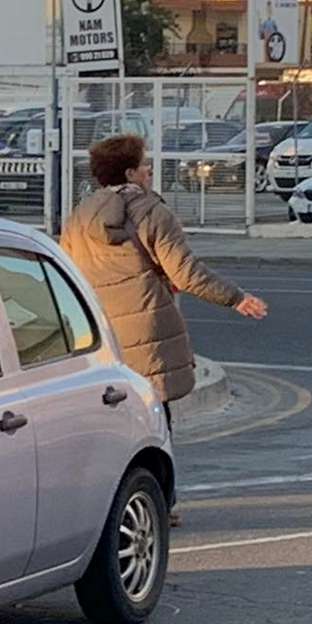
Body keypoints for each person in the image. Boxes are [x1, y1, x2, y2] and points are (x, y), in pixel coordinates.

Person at [61, 133, 269, 526]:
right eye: (144, 164)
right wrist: (235, 297)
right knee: (155, 416)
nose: (150, 170)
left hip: (98, 332)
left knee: (112, 418)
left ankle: (108, 501)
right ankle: (159, 501)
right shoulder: (150, 211)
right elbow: (185, 273)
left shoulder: (78, 216)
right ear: (129, 172)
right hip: (147, 325)